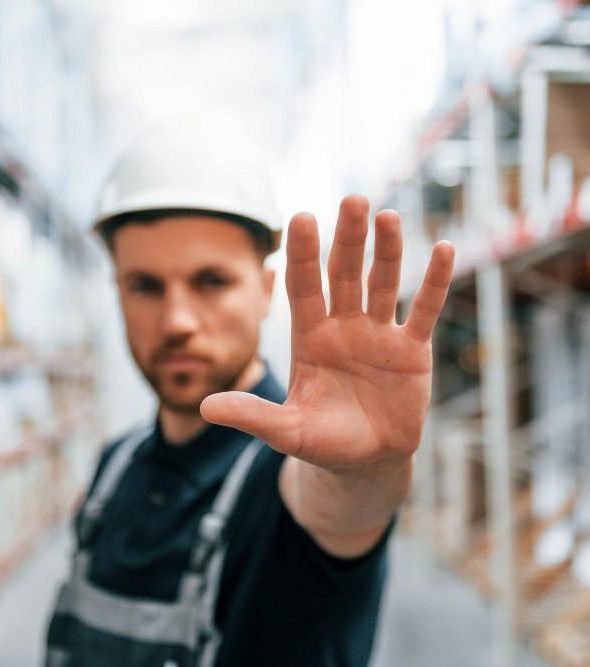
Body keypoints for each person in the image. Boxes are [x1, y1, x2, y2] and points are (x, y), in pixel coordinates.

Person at [44, 118, 455, 667]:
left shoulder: (292, 471)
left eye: (211, 281)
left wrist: (365, 470)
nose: (177, 320)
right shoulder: (112, 470)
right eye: (144, 285)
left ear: (266, 291)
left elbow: (339, 509)